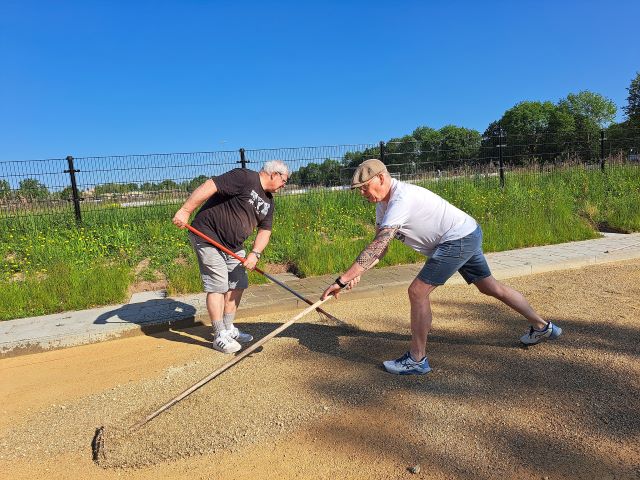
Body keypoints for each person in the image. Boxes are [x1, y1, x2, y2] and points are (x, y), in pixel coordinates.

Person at [321, 159, 562, 375]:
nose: (362, 193)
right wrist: (356, 275)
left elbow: (378, 246)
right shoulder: (382, 205)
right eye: (359, 190)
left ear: (381, 178)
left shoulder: (401, 199)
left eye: (364, 187)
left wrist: (342, 279)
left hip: (456, 238)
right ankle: (542, 326)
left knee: (417, 291)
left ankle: (416, 359)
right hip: (466, 232)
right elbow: (380, 248)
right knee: (490, 287)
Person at [173, 160, 289, 354]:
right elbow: (211, 185)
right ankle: (219, 336)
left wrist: (255, 253)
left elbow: (265, 230)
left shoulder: (269, 201)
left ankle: (228, 328)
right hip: (208, 236)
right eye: (284, 180)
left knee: (238, 284)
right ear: (273, 174)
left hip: (235, 246)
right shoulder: (245, 177)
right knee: (218, 284)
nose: (285, 184)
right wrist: (185, 211)